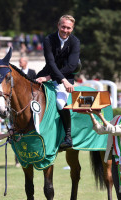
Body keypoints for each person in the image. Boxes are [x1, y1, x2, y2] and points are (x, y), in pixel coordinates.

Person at [36, 15, 80, 149]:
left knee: (61, 103)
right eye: (63, 27)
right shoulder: (49, 39)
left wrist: (53, 79)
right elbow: (51, 62)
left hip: (67, 77)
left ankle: (68, 136)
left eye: (68, 28)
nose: (65, 30)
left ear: (72, 29)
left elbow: (72, 66)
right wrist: (50, 77)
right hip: (49, 72)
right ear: (58, 26)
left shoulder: (75, 42)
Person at [86, 91, 121, 200]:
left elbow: (114, 130)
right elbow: (101, 130)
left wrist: (100, 114)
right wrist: (91, 115)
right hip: (116, 161)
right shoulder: (117, 119)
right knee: (120, 195)